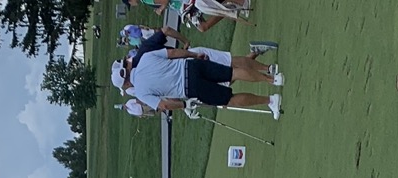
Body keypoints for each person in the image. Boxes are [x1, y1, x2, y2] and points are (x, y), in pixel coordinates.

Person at [111, 40, 282, 118]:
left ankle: (270, 100)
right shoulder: (146, 58)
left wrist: (184, 105)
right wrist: (194, 54)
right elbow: (173, 53)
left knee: (229, 100)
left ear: (126, 84)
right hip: (191, 65)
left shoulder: (140, 92)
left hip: (190, 87)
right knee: (232, 73)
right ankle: (273, 80)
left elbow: (163, 105)